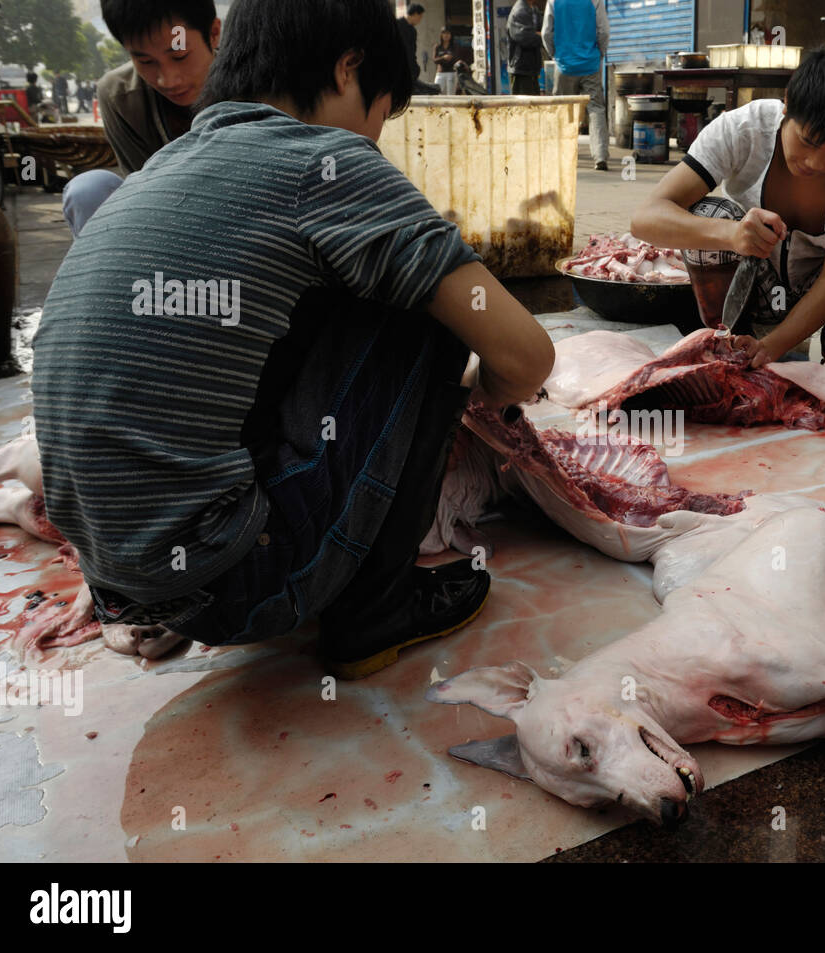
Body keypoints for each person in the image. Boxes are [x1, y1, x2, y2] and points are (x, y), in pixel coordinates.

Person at [31, 0, 555, 677]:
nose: (372, 142)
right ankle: (375, 612)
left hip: (123, 584)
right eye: (379, 115)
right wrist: (477, 402)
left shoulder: (161, 170)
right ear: (348, 68)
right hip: (236, 586)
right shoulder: (325, 161)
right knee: (429, 302)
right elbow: (527, 353)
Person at [631, 44, 825, 374]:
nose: (816, 163)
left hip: (820, 291)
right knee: (711, 214)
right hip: (751, 286)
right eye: (808, 141)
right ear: (787, 104)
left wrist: (772, 348)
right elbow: (645, 218)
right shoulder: (741, 130)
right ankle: (730, 338)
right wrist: (731, 235)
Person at [60, 0, 222, 238]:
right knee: (88, 189)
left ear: (214, 34)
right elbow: (145, 192)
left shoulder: (260, 82)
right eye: (146, 62)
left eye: (180, 55)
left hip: (248, 224)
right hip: (163, 222)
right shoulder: (119, 96)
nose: (168, 80)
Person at [542, 0, 609, 170]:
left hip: (564, 65)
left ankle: (562, 154)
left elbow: (546, 33)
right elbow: (604, 31)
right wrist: (600, 54)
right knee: (596, 109)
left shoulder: (554, 1)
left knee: (563, 110)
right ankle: (600, 156)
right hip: (590, 64)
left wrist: (555, 54)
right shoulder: (595, 1)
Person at [396, 3, 440, 95]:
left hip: (409, 69)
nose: (420, 20)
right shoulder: (396, 25)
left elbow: (412, 51)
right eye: (420, 17)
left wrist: (414, 67)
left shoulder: (412, 30)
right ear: (415, 14)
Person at [506, 0, 544, 95]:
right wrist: (541, 35)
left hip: (532, 68)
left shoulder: (534, 10)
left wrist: (540, 34)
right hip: (521, 69)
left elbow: (544, 32)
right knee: (522, 107)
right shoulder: (519, 11)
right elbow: (525, 38)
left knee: (534, 106)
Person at [432, 28, 459, 96]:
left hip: (451, 73)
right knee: (437, 92)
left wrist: (451, 58)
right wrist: (443, 58)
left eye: (448, 33)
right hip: (440, 73)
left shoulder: (454, 46)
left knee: (451, 94)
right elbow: (435, 60)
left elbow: (457, 59)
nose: (446, 35)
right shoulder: (437, 46)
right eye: (444, 33)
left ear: (451, 35)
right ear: (441, 35)